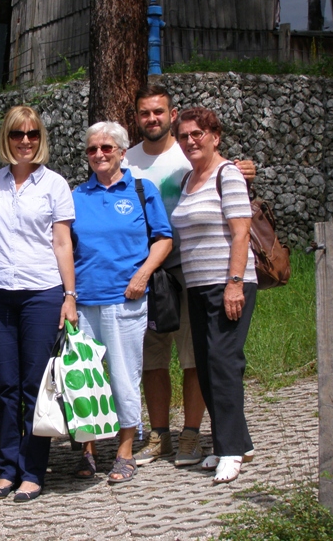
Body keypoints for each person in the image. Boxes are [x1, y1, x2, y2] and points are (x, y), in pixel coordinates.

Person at [123, 85, 255, 468]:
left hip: (195, 272)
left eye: (159, 112)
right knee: (154, 358)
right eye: (145, 113)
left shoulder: (190, 154)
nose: (152, 119)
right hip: (149, 274)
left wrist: (243, 168)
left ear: (172, 113)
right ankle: (162, 436)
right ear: (136, 117)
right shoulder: (128, 160)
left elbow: (225, 181)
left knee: (200, 358)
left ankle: (194, 435)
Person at [0, 105, 77, 502]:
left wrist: (69, 296)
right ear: (6, 138)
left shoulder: (54, 184)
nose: (25, 141)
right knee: (5, 385)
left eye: (32, 133)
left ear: (41, 138)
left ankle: (33, 471)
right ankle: (7, 469)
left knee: (36, 386)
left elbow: (62, 242)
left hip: (42, 292)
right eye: (17, 134)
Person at [70, 122, 172, 483]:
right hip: (84, 302)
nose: (99, 154)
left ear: (122, 152)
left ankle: (125, 450)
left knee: (123, 376)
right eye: (92, 149)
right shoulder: (76, 195)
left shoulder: (142, 190)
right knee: (84, 378)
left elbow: (163, 239)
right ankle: (88, 450)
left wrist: (143, 274)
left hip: (125, 299)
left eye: (106, 148)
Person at [170, 107, 257, 484]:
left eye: (197, 134)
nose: (190, 141)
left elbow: (241, 232)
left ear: (215, 137)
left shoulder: (228, 174)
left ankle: (230, 450)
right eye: (184, 135)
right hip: (197, 286)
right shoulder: (188, 179)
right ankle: (235, 442)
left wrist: (234, 283)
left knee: (223, 362)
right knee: (206, 366)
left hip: (229, 284)